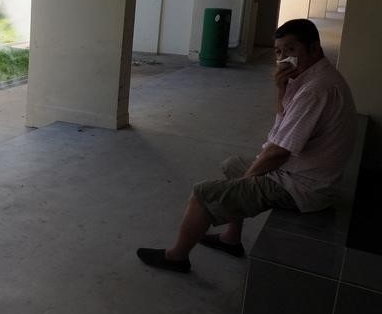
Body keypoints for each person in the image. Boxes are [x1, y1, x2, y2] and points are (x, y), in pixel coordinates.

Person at [137, 19, 356, 273]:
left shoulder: (316, 90)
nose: (284, 57)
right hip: (302, 172)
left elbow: (279, 151)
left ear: (314, 48)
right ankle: (231, 239)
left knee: (203, 194)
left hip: (302, 186)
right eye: (278, 52)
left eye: (291, 49)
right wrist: (280, 87)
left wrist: (243, 183)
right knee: (233, 165)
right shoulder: (311, 78)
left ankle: (176, 257)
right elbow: (283, 122)